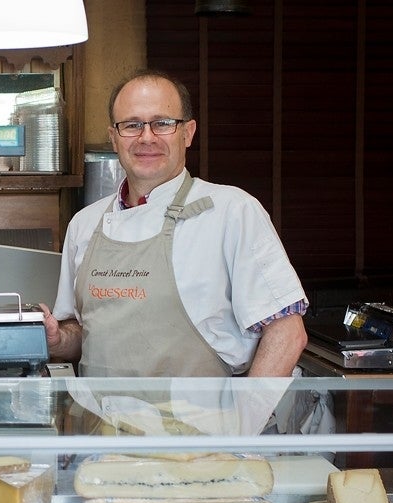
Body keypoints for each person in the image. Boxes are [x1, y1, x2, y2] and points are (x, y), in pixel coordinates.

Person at [43, 69, 308, 378]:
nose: (146, 137)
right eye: (131, 125)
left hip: (203, 423)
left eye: (163, 123)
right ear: (114, 138)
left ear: (188, 132)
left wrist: (245, 421)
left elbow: (287, 333)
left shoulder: (233, 212)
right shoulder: (84, 224)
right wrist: (59, 339)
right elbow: (80, 334)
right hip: (101, 422)